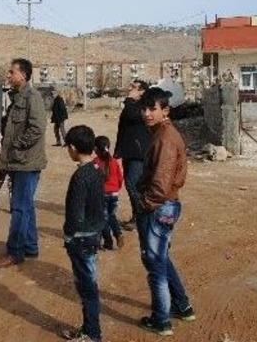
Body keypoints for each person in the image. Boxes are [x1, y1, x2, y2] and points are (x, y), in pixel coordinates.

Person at [135, 87, 195, 336]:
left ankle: (161, 320)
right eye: (144, 108)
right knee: (161, 259)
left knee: (155, 264)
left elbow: (160, 184)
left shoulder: (165, 139)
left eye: (152, 109)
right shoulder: (161, 133)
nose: (147, 113)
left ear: (165, 110)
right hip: (164, 205)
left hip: (159, 206)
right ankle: (182, 306)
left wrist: (145, 205)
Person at [0, 58, 47, 268]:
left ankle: (15, 251)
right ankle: (31, 246)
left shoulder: (32, 97)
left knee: (19, 208)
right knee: (26, 206)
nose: (8, 75)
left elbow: (37, 128)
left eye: (12, 72)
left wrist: (16, 145)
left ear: (23, 75)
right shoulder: (16, 97)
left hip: (26, 162)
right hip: (17, 162)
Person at [60, 125, 106, 342]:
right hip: (93, 234)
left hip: (81, 238)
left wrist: (68, 235)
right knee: (89, 284)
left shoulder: (80, 176)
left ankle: (92, 334)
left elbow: (75, 214)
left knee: (87, 288)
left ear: (73, 148)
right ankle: (89, 329)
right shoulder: (97, 169)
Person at [114, 79, 150, 231]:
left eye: (134, 87)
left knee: (132, 183)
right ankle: (137, 216)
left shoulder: (144, 106)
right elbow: (123, 129)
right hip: (129, 151)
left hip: (139, 152)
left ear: (142, 91)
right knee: (132, 185)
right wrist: (118, 151)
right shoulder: (131, 105)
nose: (130, 89)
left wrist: (129, 100)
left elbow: (132, 116)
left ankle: (143, 216)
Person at [94, 135, 124, 250]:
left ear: (95, 149)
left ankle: (108, 241)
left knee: (104, 219)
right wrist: (116, 189)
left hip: (102, 195)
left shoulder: (95, 163)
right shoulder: (114, 161)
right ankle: (118, 233)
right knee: (111, 216)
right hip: (114, 194)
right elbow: (120, 178)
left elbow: (93, 181)